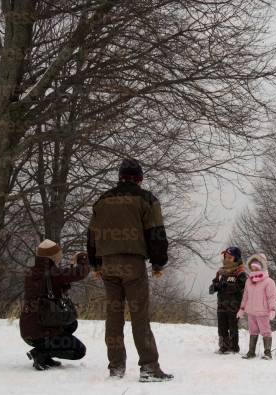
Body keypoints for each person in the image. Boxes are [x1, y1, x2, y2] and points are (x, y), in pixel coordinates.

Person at [87, 158, 173, 382]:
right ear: (140, 178)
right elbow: (156, 233)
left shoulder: (102, 200)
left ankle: (115, 367)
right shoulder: (146, 199)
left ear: (120, 177)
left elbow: (92, 235)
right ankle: (149, 367)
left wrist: (95, 264)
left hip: (108, 263)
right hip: (133, 263)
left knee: (113, 317)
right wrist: (158, 262)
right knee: (139, 316)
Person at [20, 239, 90, 370]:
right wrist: (82, 257)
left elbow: (55, 281)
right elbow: (81, 272)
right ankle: (41, 352)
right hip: (40, 332)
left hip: (28, 330)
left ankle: (45, 352)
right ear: (53, 257)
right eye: (58, 255)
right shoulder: (53, 274)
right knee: (79, 350)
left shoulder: (32, 273)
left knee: (71, 324)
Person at [236, 253, 276, 360]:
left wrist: (272, 309)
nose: (254, 267)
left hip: (263, 312)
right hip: (251, 312)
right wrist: (242, 309)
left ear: (262, 266)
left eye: (257, 265)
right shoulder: (248, 281)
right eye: (252, 265)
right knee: (252, 331)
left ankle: (267, 353)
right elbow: (245, 296)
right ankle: (251, 351)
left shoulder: (268, 282)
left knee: (266, 331)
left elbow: (271, 297)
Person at [208, 246, 247, 354]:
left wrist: (228, 286)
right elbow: (216, 283)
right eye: (226, 257)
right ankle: (223, 346)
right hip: (221, 303)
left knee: (232, 326)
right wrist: (214, 287)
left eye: (230, 258)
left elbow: (242, 286)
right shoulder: (221, 272)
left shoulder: (240, 272)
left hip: (234, 305)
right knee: (222, 326)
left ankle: (234, 347)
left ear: (236, 259)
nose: (227, 259)